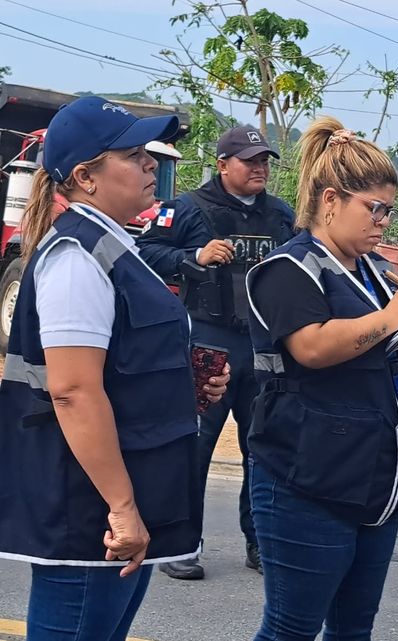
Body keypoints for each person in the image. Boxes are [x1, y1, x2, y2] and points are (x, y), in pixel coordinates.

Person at [0, 96, 229, 641]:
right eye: (132, 155)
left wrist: (185, 382)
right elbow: (74, 391)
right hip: (92, 508)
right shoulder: (77, 259)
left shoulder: (115, 247)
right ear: (85, 177)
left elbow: (122, 365)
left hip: (116, 495)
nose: (152, 163)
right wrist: (122, 508)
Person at [245, 116, 398, 640]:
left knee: (355, 628)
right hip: (306, 476)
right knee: (291, 628)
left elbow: (379, 342)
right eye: (373, 209)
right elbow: (310, 346)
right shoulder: (290, 268)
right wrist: (391, 317)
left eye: (389, 211)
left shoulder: (370, 269)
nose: (383, 222)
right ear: (330, 200)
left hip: (374, 472)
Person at [136, 125, 295, 580]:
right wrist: (194, 256)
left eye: (265, 160)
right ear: (223, 165)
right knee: (195, 444)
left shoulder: (281, 215)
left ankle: (260, 542)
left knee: (263, 448)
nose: (260, 168)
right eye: (250, 160)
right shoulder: (186, 209)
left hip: (263, 347)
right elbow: (144, 252)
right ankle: (178, 544)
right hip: (208, 342)